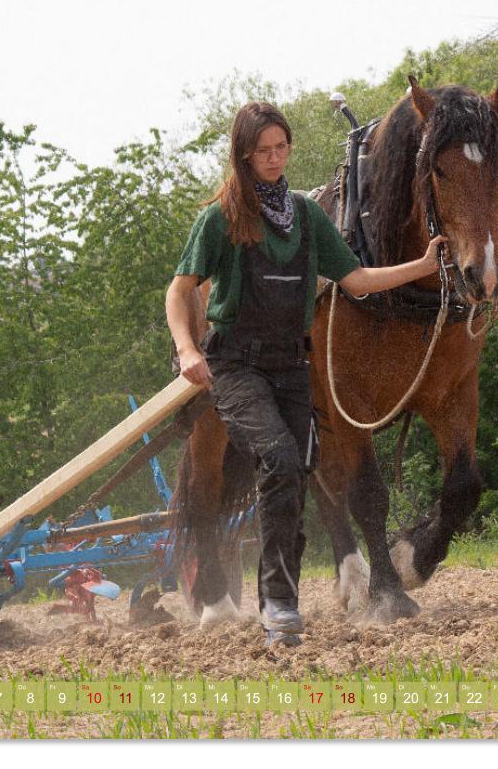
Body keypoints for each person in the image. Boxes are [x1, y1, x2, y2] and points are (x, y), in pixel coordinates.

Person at [165, 102, 448, 646]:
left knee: (297, 473)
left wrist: (421, 267)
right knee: (279, 458)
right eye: (263, 151)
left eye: (281, 148)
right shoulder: (220, 217)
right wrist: (185, 348)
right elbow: (180, 291)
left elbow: (357, 279)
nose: (274, 159)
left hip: (290, 365)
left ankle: (281, 599)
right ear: (244, 155)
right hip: (236, 364)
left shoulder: (305, 214)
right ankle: (279, 606)